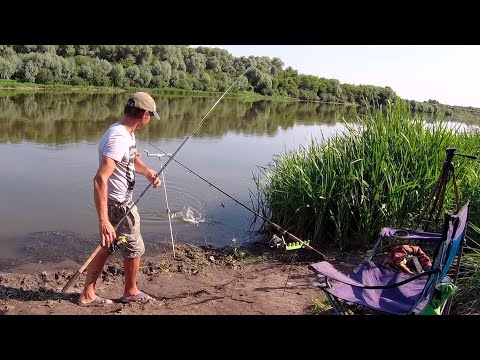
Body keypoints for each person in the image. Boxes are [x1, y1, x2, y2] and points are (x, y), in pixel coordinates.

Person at [78, 92, 161, 307]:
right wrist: (104, 221)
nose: (150, 120)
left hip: (119, 203)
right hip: (119, 206)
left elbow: (131, 160)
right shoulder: (118, 137)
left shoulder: (126, 133)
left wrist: (147, 172)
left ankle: (88, 294)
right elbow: (100, 178)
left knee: (107, 246)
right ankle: (130, 292)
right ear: (143, 113)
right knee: (134, 247)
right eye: (150, 115)